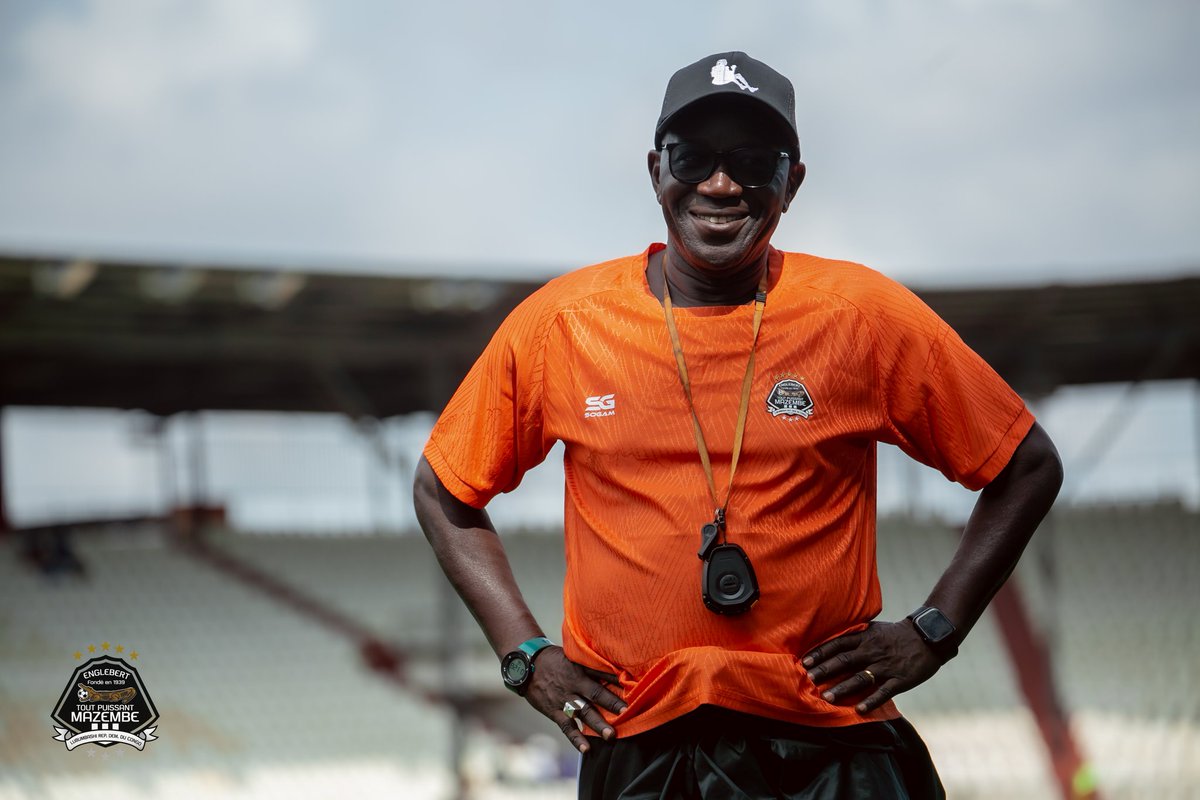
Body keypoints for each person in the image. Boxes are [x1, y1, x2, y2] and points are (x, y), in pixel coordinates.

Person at [414, 50, 1063, 799]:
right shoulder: (563, 325)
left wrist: (933, 632)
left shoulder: (862, 317)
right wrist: (523, 654)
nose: (721, 184)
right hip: (641, 743)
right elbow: (444, 488)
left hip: (832, 746)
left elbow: (1027, 465)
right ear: (656, 169)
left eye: (754, 160)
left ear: (794, 180)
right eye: (695, 157)